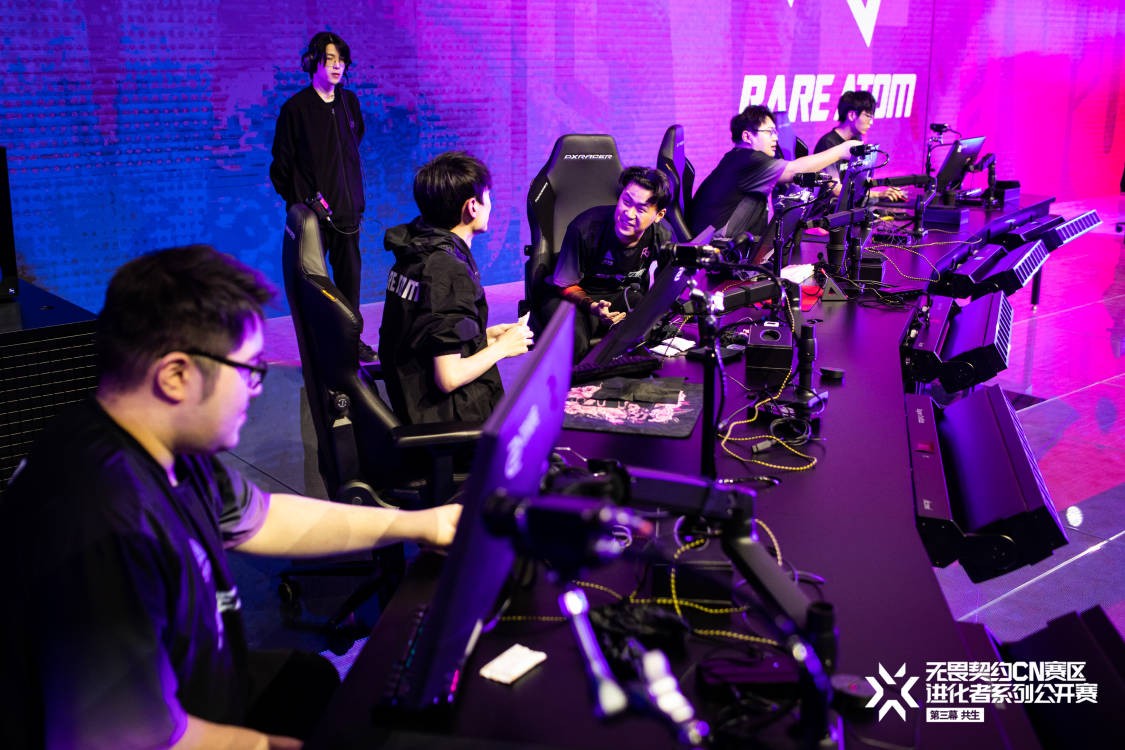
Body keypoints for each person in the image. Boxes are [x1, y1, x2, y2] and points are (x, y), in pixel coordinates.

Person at [0, 245, 460, 749]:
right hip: (154, 729)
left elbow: (261, 518)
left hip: (200, 683)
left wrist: (419, 523)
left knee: (310, 682)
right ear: (176, 375)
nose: (257, 388)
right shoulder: (101, 525)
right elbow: (127, 741)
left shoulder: (152, 440)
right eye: (248, 370)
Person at [379, 151, 533, 425]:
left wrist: (483, 337)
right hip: (450, 421)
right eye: (487, 196)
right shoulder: (448, 272)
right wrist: (503, 348)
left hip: (413, 402)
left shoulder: (416, 253)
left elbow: (425, 335)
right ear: (472, 206)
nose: (490, 204)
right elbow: (448, 377)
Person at [270, 31, 374, 360]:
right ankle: (318, 351)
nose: (337, 66)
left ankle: (350, 343)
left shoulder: (349, 103)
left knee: (350, 283)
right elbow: (280, 167)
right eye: (330, 59)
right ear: (313, 62)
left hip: (347, 213)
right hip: (313, 218)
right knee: (314, 287)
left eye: (341, 60)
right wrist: (302, 203)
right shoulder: (296, 109)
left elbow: (353, 146)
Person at [551, 166, 674, 359]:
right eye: (626, 202)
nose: (628, 214)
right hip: (577, 296)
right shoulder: (584, 228)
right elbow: (564, 285)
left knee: (656, 330)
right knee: (575, 344)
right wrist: (593, 306)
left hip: (620, 293)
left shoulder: (662, 235)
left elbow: (668, 282)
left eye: (641, 209)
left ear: (659, 215)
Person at [689, 104, 862, 240]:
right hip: (716, 245)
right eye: (769, 132)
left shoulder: (738, 158)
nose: (776, 138)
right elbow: (793, 170)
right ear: (747, 136)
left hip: (729, 241)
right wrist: (841, 151)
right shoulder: (747, 159)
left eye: (776, 132)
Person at [813, 90, 906, 202]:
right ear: (852, 115)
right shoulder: (827, 143)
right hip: (828, 209)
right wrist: (878, 194)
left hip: (850, 206)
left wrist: (887, 189)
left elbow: (860, 181)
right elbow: (836, 189)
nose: (871, 122)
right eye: (868, 116)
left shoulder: (857, 139)